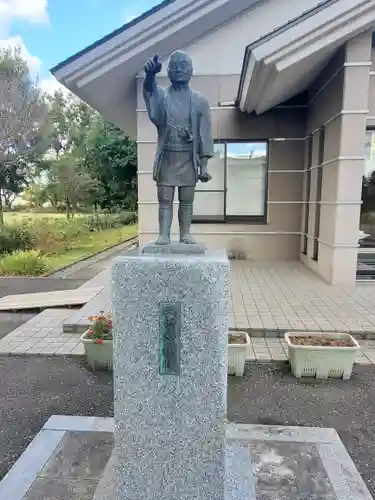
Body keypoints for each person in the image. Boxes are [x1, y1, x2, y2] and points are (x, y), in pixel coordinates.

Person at [143, 51, 213, 245]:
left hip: (188, 157)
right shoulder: (163, 96)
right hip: (167, 155)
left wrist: (204, 166)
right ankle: (164, 234)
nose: (179, 69)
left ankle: (185, 234)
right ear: (168, 71)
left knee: (187, 198)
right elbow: (150, 93)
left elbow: (204, 135)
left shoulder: (200, 101)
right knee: (164, 198)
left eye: (184, 66)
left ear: (191, 70)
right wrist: (150, 75)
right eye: (174, 66)